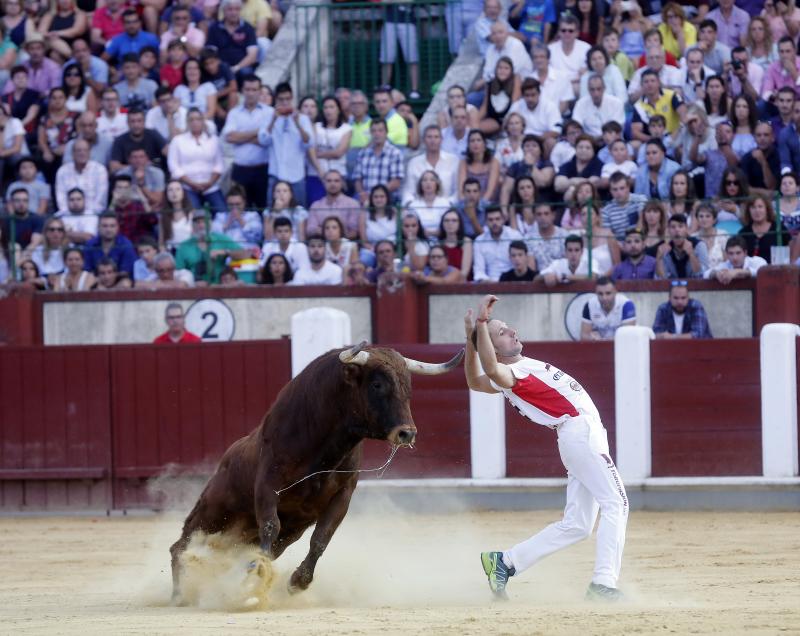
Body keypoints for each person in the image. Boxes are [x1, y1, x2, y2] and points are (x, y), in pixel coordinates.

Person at [466, 294, 628, 602]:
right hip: (579, 433)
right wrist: (481, 327)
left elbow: (474, 380)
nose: (512, 331)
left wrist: (471, 338)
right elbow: (485, 371)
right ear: (495, 350)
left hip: (578, 436)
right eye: (502, 333)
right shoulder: (509, 375)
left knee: (578, 525)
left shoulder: (516, 370)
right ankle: (603, 584)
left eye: (508, 328)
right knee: (616, 504)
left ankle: (506, 562)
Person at [257, 81, 313, 207]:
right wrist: (273, 120)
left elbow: (309, 143)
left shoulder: (303, 119)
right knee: (273, 212)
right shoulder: (268, 118)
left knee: (299, 212)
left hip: (296, 175)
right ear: (276, 99)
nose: (285, 102)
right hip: (276, 173)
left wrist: (297, 123)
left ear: (292, 98)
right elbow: (263, 141)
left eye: (287, 99)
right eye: (281, 99)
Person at [167, 108, 225, 212]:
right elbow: (173, 166)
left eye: (198, 119)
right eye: (191, 120)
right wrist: (191, 183)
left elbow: (219, 165)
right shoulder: (178, 141)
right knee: (193, 215)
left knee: (222, 212)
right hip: (187, 187)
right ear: (187, 122)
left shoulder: (213, 140)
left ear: (203, 121)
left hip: (211, 186)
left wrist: (210, 183)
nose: (195, 122)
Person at [176, 210, 251, 284]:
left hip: (221, 287)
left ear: (210, 223)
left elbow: (246, 254)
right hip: (195, 288)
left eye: (204, 221)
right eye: (197, 222)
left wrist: (225, 252)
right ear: (192, 225)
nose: (201, 225)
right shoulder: (184, 246)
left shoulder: (221, 239)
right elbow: (178, 272)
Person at [353, 118, 404, 204]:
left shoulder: (395, 153)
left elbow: (396, 182)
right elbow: (357, 179)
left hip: (387, 199)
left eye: (380, 130)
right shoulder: (362, 153)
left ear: (386, 132)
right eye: (374, 131)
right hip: (365, 200)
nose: (377, 134)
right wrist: (362, 193)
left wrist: (376, 195)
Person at [205, 0, 258, 79]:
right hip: (220, 67)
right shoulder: (214, 28)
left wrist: (236, 67)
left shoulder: (248, 28)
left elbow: (252, 56)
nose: (234, 13)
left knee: (246, 72)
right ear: (223, 11)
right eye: (230, 9)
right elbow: (210, 53)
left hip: (242, 67)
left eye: (237, 9)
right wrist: (224, 68)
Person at [55, 138, 108, 215]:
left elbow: (101, 201)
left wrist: (87, 215)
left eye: (85, 150)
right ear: (72, 153)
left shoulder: (99, 170)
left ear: (90, 153)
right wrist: (68, 214)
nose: (82, 153)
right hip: (68, 215)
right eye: (79, 150)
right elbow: (61, 197)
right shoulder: (63, 171)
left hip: (94, 215)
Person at [380, 0, 420, 99]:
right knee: (387, 57)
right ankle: (384, 87)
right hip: (389, 21)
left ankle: (414, 90)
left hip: (408, 21)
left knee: (412, 57)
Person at [473, 206, 523, 282]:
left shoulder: (515, 236)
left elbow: (522, 265)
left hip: (513, 282)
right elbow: (479, 271)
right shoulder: (479, 241)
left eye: (497, 219)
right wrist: (489, 283)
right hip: (488, 284)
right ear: (486, 221)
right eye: (490, 220)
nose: (494, 223)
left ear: (503, 220)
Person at [737, 194, 791, 263]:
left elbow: (790, 246)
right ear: (749, 211)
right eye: (753, 207)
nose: (757, 211)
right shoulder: (744, 232)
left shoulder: (778, 228)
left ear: (767, 209)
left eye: (760, 207)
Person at [580, 276, 636, 341]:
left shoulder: (626, 305)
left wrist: (604, 341)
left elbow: (629, 336)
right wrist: (591, 338)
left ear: (615, 292)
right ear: (596, 293)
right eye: (600, 294)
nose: (604, 298)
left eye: (608, 293)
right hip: (598, 347)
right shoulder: (589, 305)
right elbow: (583, 335)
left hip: (621, 347)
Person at [83, 211, 137, 277]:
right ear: (98, 227)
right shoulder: (90, 244)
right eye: (105, 226)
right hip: (95, 282)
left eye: (112, 226)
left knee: (125, 283)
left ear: (118, 227)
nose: (108, 229)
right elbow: (87, 270)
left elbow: (125, 271)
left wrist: (108, 279)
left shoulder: (126, 244)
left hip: (119, 281)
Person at [572, 75, 625, 141]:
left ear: (604, 88)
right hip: (589, 143)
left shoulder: (616, 103)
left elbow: (616, 129)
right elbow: (576, 127)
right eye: (592, 90)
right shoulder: (580, 104)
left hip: (612, 143)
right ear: (588, 90)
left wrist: (596, 139)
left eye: (599, 89)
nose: (596, 93)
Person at [656, 213, 709, 279]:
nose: (677, 230)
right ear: (669, 230)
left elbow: (703, 275)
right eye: (673, 227)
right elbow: (661, 279)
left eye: (680, 226)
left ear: (686, 229)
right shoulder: (666, 249)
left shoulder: (699, 245)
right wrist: (659, 259)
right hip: (673, 288)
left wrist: (691, 254)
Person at [211, 186, 263, 250]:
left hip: (247, 252)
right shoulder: (220, 216)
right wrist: (227, 223)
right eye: (231, 204)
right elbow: (215, 237)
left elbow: (256, 238)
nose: (234, 208)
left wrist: (241, 221)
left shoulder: (253, 216)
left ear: (244, 203)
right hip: (226, 253)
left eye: (237, 204)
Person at [524, 202, 567, 271]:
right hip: (539, 279)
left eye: (546, 214)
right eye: (539, 214)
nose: (543, 217)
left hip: (561, 277)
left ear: (553, 215)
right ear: (534, 217)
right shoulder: (529, 238)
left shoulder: (564, 235)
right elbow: (531, 268)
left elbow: (567, 263)